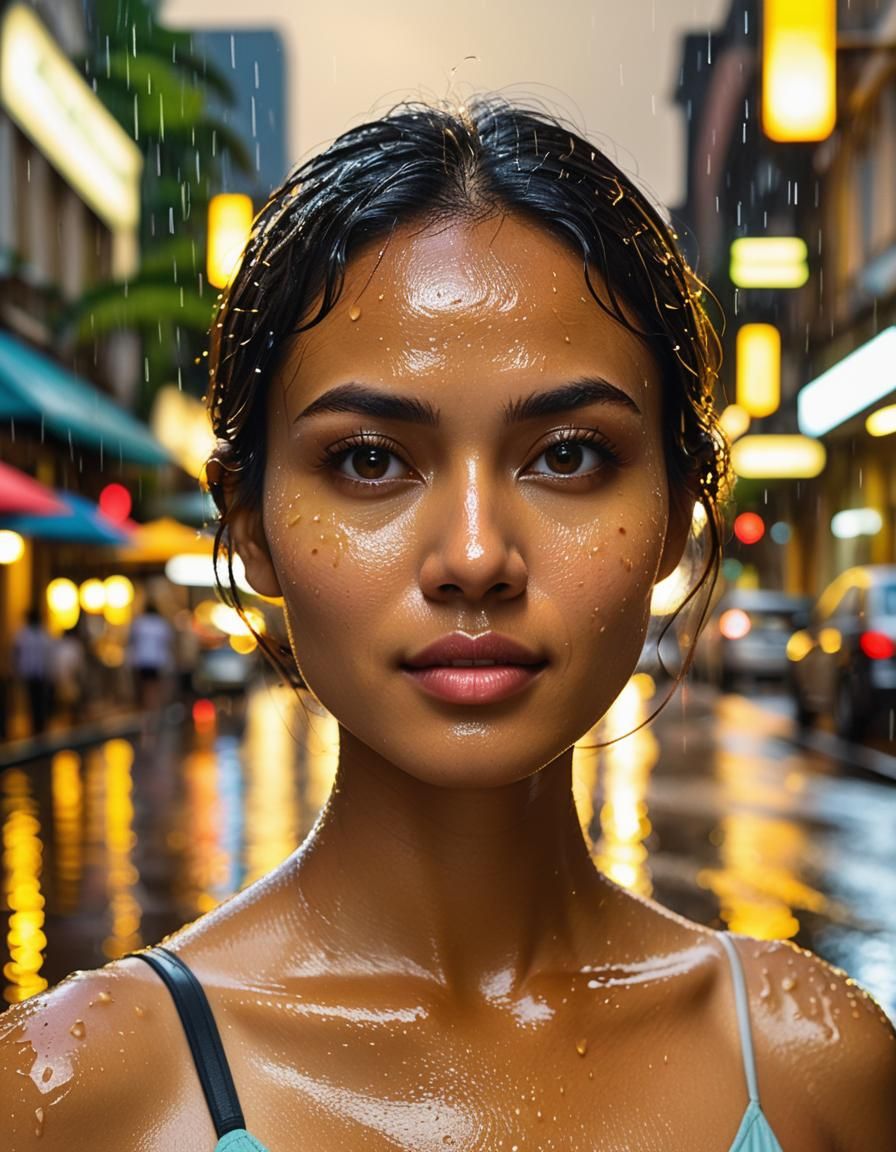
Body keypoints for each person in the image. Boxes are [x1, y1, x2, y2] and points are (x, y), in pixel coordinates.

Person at [1, 98, 893, 1150]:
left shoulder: (815, 1066)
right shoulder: (78, 1093)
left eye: (566, 454)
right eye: (369, 460)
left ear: (673, 513)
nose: (474, 555)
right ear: (247, 524)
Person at [12, 607, 53, 735]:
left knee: (41, 700)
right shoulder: (24, 635)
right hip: (30, 673)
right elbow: (16, 653)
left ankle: (40, 726)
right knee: (32, 700)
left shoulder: (41, 634)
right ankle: (35, 726)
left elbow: (48, 655)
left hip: (41, 673)